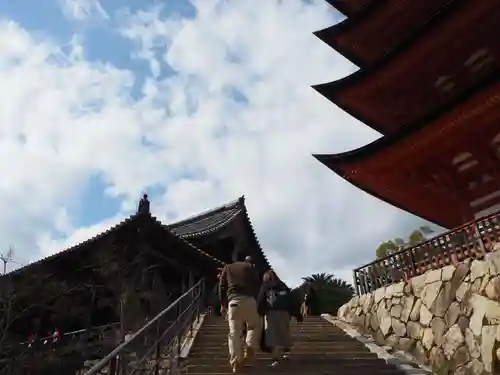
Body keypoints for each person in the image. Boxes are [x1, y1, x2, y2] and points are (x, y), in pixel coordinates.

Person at [219, 256, 261, 373]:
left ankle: (236, 360)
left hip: (233, 302)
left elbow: (222, 286)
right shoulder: (250, 267)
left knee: (234, 333)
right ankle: (250, 345)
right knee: (254, 325)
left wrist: (223, 304)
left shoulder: (227, 268)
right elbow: (257, 283)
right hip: (249, 300)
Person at [257, 269, 302, 367]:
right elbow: (292, 300)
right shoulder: (283, 286)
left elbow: (261, 300)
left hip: (271, 313)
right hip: (283, 313)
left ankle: (276, 358)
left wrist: (259, 312)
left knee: (272, 335)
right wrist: (297, 314)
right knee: (283, 333)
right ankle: (286, 352)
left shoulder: (266, 287)